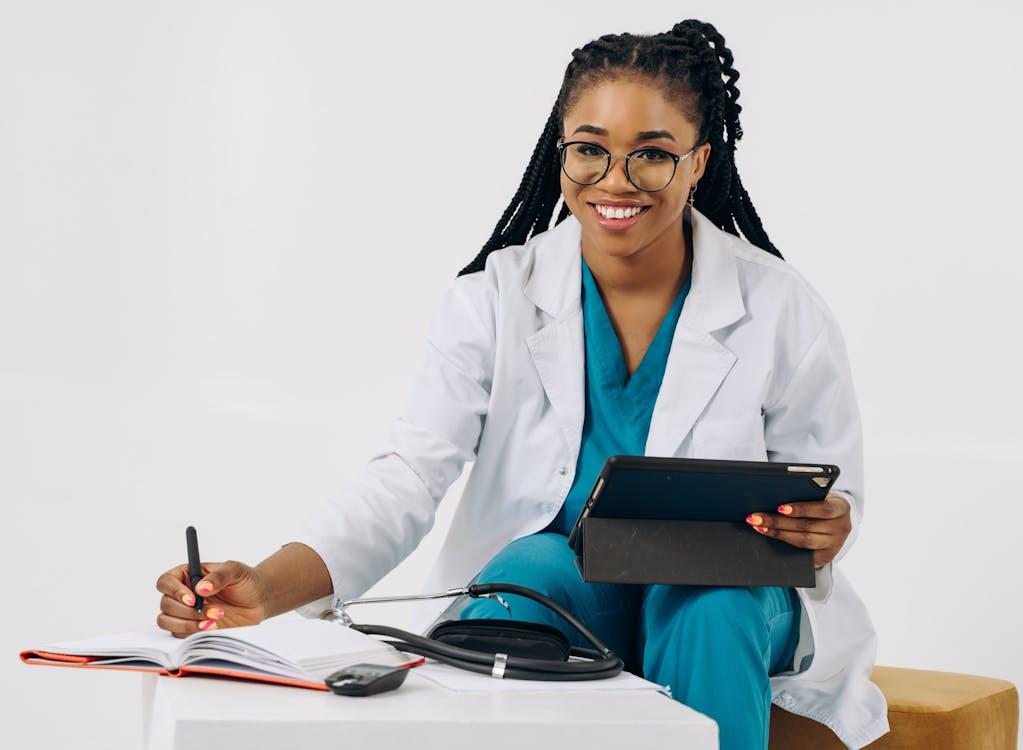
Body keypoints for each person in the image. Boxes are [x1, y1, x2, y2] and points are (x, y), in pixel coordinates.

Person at [154, 20, 889, 749]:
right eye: (590, 151)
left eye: (653, 156)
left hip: (726, 594)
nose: (615, 182)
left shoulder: (780, 306)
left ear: (698, 163)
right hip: (570, 592)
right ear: (558, 150)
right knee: (525, 572)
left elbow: (833, 491)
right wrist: (264, 586)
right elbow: (407, 477)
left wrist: (827, 523)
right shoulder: (495, 298)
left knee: (708, 603)